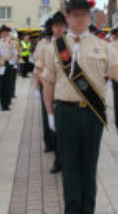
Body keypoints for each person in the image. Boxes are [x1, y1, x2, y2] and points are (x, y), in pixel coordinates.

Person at [42, 0, 118, 213]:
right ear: (67, 17)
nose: (79, 19)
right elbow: (48, 83)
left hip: (92, 114)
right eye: (75, 15)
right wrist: (50, 114)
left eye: (83, 15)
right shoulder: (55, 47)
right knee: (70, 169)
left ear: (89, 17)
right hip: (66, 113)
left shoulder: (103, 45)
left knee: (89, 168)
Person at [41, 11, 67, 174]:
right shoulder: (47, 48)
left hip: (67, 93)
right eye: (56, 26)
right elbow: (39, 70)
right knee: (56, 132)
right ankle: (58, 161)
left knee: (68, 133)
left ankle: (69, 161)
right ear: (52, 27)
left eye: (62, 26)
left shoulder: (71, 45)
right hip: (53, 92)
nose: (59, 29)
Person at [34, 20, 55, 154]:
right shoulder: (41, 44)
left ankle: (57, 141)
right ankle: (48, 142)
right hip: (45, 81)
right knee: (46, 112)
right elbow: (38, 66)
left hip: (58, 83)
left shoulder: (61, 42)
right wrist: (38, 84)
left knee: (57, 113)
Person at [0, 25, 16, 111]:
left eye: (6, 32)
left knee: (8, 84)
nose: (4, 34)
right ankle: (3, 104)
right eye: (3, 33)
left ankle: (7, 102)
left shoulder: (11, 42)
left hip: (8, 64)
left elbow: (14, 52)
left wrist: (13, 61)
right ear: (0, 34)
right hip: (0, 65)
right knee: (1, 85)